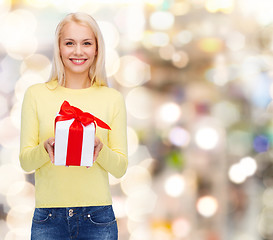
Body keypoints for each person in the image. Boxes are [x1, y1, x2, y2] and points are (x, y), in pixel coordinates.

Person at [19, 12, 128, 240]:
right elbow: (25, 162)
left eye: (86, 43)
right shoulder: (36, 95)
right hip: (48, 219)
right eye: (70, 43)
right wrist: (45, 149)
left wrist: (100, 150)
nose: (78, 51)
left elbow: (120, 168)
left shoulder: (112, 98)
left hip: (97, 219)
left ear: (97, 48)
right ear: (59, 48)